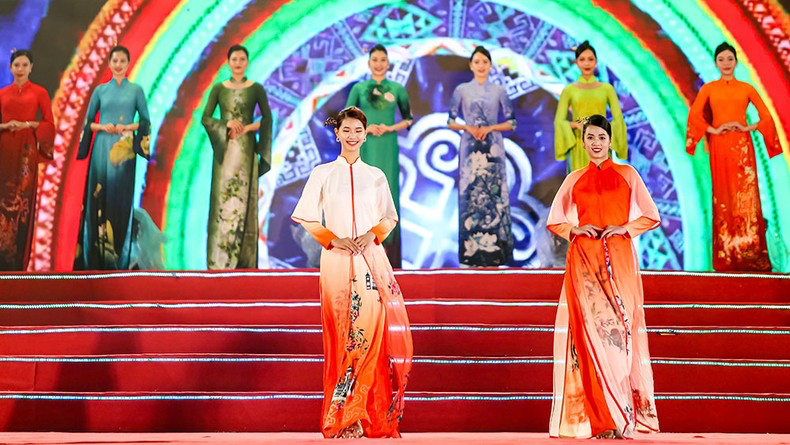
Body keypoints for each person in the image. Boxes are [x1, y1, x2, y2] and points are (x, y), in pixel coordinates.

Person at [291, 107, 412, 438]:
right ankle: (344, 416)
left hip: (370, 259)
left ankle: (366, 414)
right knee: (343, 336)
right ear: (337, 134)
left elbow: (389, 217)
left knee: (369, 335)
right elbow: (306, 216)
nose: (353, 136)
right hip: (336, 259)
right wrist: (334, 239)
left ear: (366, 133)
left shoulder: (375, 175)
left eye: (358, 130)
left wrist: (373, 235)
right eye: (347, 130)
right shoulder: (322, 173)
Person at [547, 114, 660, 439]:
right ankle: (599, 420)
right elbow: (556, 220)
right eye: (590, 138)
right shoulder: (575, 178)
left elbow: (650, 215)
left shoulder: (628, 174)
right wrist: (575, 229)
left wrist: (624, 228)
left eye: (601, 137)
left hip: (620, 259)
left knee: (620, 338)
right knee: (589, 338)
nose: (596, 143)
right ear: (583, 143)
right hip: (584, 260)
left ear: (610, 141)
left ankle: (623, 416)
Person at [686, 42, 783, 272]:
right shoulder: (709, 88)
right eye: (722, 60)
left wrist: (749, 127)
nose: (726, 63)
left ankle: (750, 253)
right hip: (720, 145)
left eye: (730, 59)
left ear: (736, 62)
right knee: (723, 196)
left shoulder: (746, 88)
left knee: (745, 197)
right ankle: (726, 254)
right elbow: (695, 115)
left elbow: (766, 117)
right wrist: (713, 130)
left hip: (742, 146)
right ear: (716, 63)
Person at [75, 46, 151, 270]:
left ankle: (119, 259)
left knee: (120, 201)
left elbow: (145, 121)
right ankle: (94, 261)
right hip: (101, 147)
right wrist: (102, 126)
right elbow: (88, 122)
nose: (118, 64)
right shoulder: (100, 91)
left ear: (128, 64)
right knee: (98, 198)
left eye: (122, 61)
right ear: (109, 63)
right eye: (114, 60)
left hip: (124, 149)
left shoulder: (136, 90)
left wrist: (128, 126)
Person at [202, 44, 272, 269]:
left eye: (242, 59)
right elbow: (205, 118)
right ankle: (220, 260)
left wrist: (249, 128)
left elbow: (268, 119)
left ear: (247, 62)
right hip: (226, 153)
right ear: (228, 62)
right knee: (224, 203)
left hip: (246, 152)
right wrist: (226, 124)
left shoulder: (256, 88)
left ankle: (244, 262)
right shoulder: (219, 89)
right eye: (234, 59)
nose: (238, 63)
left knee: (244, 202)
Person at [448, 45, 516, 267]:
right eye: (476, 62)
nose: (480, 66)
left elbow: (512, 122)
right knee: (470, 196)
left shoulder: (499, 91)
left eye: (484, 62)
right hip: (469, 147)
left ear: (490, 65)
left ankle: (497, 254)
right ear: (471, 65)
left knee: (494, 196)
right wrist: (468, 128)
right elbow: (450, 121)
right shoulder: (461, 90)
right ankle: (471, 255)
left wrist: (490, 128)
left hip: (493, 147)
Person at [346, 44, 413, 268]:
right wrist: (365, 129)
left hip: (387, 146)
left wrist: (390, 128)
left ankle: (388, 253)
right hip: (365, 148)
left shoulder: (397, 89)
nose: (379, 64)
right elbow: (346, 120)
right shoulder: (359, 88)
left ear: (388, 63)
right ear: (368, 63)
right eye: (375, 59)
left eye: (383, 60)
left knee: (387, 193)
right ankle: (361, 251)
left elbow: (408, 120)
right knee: (363, 195)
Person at [0, 49, 55, 270]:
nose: (20, 69)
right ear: (11, 68)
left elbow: (49, 125)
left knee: (22, 203)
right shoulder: (2, 93)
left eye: (24, 65)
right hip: (4, 149)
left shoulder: (40, 93)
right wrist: (5, 126)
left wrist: (29, 125)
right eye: (16, 65)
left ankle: (17, 265)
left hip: (26, 152)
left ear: (31, 67)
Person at [554, 40, 626, 172]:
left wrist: (604, 130)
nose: (586, 63)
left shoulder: (606, 89)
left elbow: (618, 120)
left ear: (596, 62)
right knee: (580, 184)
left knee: (602, 184)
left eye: (590, 59)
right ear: (576, 63)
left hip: (601, 143)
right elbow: (559, 121)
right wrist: (576, 125)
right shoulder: (569, 90)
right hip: (580, 143)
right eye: (582, 59)